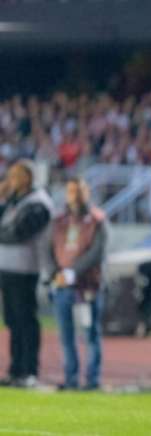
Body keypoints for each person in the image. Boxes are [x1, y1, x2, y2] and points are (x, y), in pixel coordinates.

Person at [48, 177, 108, 390]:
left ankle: (92, 380)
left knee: (91, 334)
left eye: (79, 191)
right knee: (66, 335)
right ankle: (71, 378)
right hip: (62, 286)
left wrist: (72, 272)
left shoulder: (97, 220)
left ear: (87, 193)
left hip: (88, 286)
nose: (75, 195)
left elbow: (96, 252)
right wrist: (55, 273)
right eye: (71, 191)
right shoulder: (58, 220)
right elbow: (49, 249)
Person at [0, 160, 54, 388]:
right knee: (12, 321)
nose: (11, 180)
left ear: (28, 178)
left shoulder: (38, 203)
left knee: (26, 320)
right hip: (8, 269)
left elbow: (20, 233)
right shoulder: (15, 201)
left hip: (26, 269)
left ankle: (29, 370)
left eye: (16, 176)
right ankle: (16, 369)